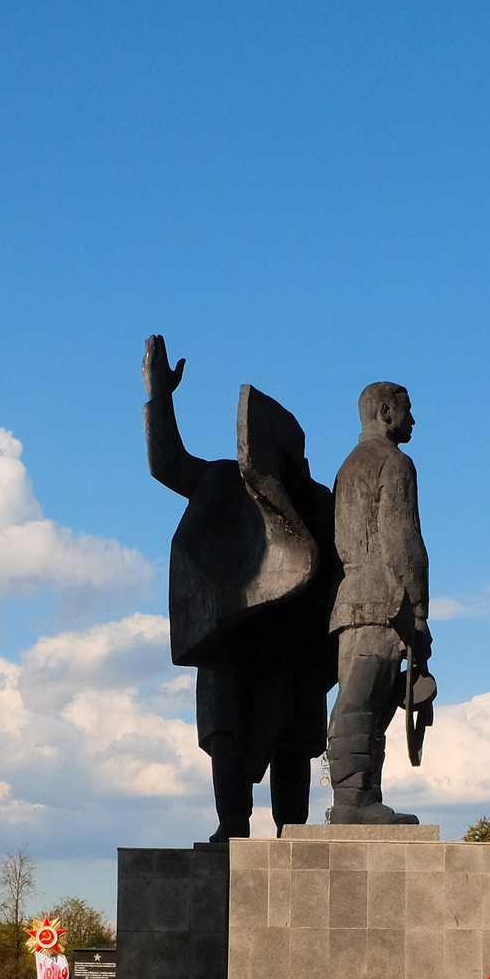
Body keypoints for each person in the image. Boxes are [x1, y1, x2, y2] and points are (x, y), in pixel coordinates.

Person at [142, 336, 339, 840]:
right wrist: (159, 396)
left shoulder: (316, 501)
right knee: (226, 729)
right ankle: (232, 824)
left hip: (291, 642)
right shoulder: (226, 482)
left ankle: (292, 831)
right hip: (231, 636)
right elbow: (167, 464)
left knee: (293, 735)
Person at [324, 381, 434, 823]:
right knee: (362, 702)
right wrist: (420, 611)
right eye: (408, 410)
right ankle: (353, 800)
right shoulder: (395, 462)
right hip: (385, 601)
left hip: (353, 601)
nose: (413, 420)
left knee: (373, 702)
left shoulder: (347, 467)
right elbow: (403, 539)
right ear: (386, 412)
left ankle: (364, 798)